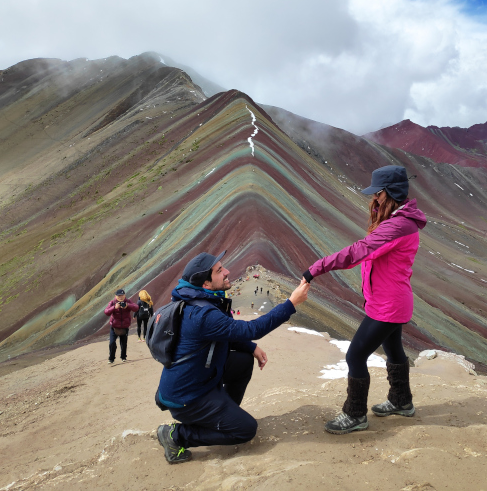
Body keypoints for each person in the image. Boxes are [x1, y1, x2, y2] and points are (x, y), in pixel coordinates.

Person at [302, 165, 427, 434]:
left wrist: (317, 267)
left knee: (355, 355)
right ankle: (401, 401)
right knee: (394, 350)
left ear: (389, 193)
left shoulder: (397, 226)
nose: (373, 199)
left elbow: (360, 251)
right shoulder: (397, 221)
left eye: (377, 194)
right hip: (389, 301)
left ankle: (355, 414)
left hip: (387, 306)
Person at [155, 250, 310, 464]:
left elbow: (225, 334)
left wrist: (251, 347)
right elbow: (251, 329)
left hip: (197, 379)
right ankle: (176, 435)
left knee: (243, 360)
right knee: (246, 430)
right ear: (206, 284)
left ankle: (224, 415)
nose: (227, 272)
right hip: (188, 398)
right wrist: (290, 304)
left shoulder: (196, 300)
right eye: (219, 271)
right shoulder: (202, 314)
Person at [104, 289, 139, 364]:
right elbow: (106, 312)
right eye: (119, 296)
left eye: (122, 295)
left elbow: (136, 307)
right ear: (115, 296)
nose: (120, 297)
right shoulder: (112, 303)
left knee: (123, 343)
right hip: (114, 327)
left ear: (125, 295)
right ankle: (111, 358)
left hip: (124, 326)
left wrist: (127, 305)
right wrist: (114, 307)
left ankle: (123, 357)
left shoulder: (128, 301)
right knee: (112, 343)